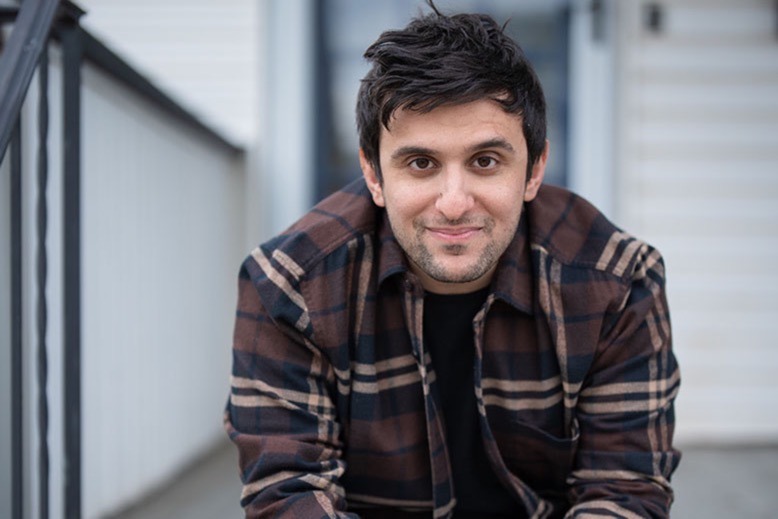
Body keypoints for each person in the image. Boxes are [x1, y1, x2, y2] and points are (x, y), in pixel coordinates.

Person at [224, 1, 681, 517]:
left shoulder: (616, 283)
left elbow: (624, 491)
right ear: (374, 175)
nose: (455, 202)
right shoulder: (289, 287)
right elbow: (288, 492)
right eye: (421, 163)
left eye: (485, 162)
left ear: (533, 170)